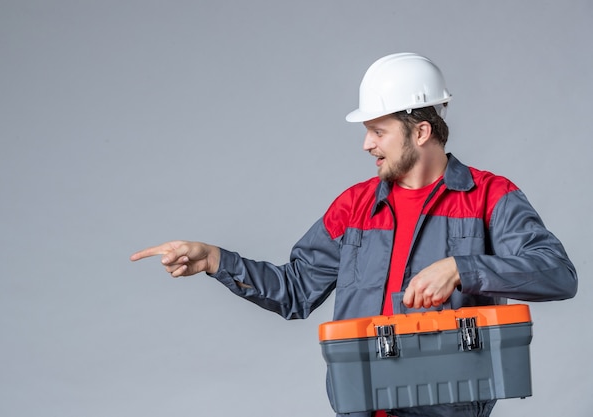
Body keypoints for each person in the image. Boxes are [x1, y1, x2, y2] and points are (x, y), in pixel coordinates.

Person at [130, 53, 578, 417]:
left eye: (378, 131)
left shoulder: (489, 197)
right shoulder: (354, 206)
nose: (367, 144)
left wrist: (462, 268)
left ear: (421, 131)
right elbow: (294, 290)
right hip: (360, 406)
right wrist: (213, 259)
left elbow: (558, 274)